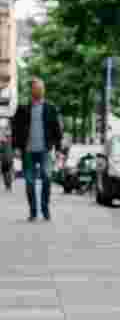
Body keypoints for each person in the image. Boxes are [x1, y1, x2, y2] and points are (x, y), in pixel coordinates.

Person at [11, 78, 62, 221]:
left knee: (47, 178)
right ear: (32, 90)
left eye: (42, 88)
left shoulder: (50, 108)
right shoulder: (23, 109)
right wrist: (16, 147)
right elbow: (15, 129)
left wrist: (58, 149)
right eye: (37, 88)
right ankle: (33, 212)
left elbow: (57, 130)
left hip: (45, 150)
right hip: (28, 151)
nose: (40, 90)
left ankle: (45, 209)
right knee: (29, 182)